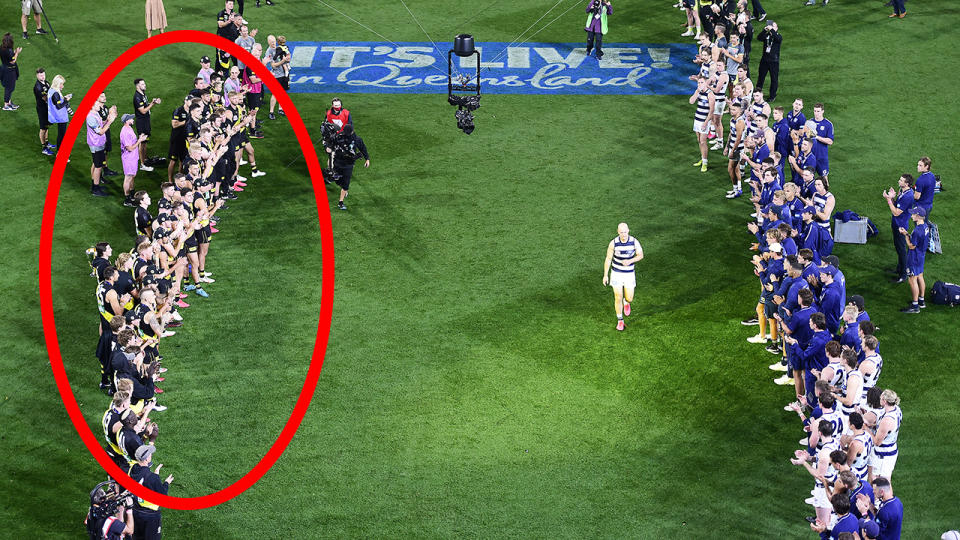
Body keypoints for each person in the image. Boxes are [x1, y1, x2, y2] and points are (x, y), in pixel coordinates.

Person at [129, 445, 173, 540]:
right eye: (150, 454)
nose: (151, 456)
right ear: (146, 459)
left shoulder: (132, 469)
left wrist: (155, 475)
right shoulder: (151, 477)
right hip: (150, 516)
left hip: (135, 511)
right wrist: (166, 483)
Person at [883, 174, 915, 284]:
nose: (899, 181)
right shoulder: (902, 191)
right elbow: (897, 205)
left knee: (901, 250)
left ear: (906, 183)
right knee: (898, 248)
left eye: (901, 180)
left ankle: (903, 275)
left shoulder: (908, 196)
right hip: (897, 224)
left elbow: (896, 212)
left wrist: (888, 200)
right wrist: (892, 197)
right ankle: (899, 268)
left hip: (900, 226)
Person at [329, 125, 369, 210]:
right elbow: (330, 146)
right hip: (338, 162)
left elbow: (363, 148)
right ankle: (342, 187)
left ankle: (341, 202)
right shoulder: (339, 137)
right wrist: (329, 142)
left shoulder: (357, 140)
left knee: (346, 184)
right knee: (336, 179)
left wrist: (367, 159)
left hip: (348, 165)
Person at [899, 207, 929, 313]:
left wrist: (905, 235)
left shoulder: (917, 230)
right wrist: (907, 233)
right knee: (920, 276)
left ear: (917, 216)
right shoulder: (925, 226)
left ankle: (915, 306)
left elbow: (911, 246)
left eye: (913, 214)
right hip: (921, 256)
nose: (911, 215)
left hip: (914, 257)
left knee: (912, 280)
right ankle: (921, 301)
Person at [87, 101, 118, 197]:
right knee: (98, 167)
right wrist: (110, 121)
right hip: (96, 144)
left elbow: (101, 124)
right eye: (97, 104)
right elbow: (100, 131)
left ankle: (96, 186)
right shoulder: (90, 117)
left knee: (99, 166)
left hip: (99, 143)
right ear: (92, 105)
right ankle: (95, 189)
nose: (100, 105)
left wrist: (108, 118)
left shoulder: (95, 113)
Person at [871, 390, 901, 481]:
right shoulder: (897, 409)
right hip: (890, 449)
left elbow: (877, 442)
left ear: (884, 401)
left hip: (883, 454)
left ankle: (882, 496)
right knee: (883, 481)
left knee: (881, 482)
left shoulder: (887, 420)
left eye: (881, 398)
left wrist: (866, 428)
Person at [120, 114, 149, 206]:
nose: (133, 119)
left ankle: (132, 194)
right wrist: (140, 141)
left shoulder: (129, 128)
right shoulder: (125, 132)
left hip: (133, 157)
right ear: (127, 121)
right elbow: (130, 148)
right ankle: (127, 199)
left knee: (132, 176)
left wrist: (140, 139)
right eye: (131, 118)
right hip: (128, 158)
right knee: (128, 177)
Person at [134, 78, 162, 168]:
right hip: (141, 122)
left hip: (145, 120)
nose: (145, 85)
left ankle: (145, 159)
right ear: (138, 86)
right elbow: (143, 111)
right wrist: (152, 104)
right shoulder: (137, 97)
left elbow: (145, 105)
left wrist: (153, 102)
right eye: (142, 84)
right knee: (142, 142)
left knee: (145, 141)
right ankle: (142, 164)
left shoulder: (142, 94)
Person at [690, 76, 714, 173]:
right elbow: (691, 101)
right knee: (699, 140)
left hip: (704, 121)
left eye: (701, 82)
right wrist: (696, 91)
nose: (699, 84)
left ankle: (705, 162)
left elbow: (711, 111)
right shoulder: (699, 92)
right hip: (697, 119)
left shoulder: (710, 94)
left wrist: (705, 123)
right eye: (698, 82)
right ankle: (702, 157)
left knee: (703, 141)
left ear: (706, 83)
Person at [265, 35, 289, 120]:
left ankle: (280, 109)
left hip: (283, 73)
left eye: (274, 41)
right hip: (276, 75)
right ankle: (271, 112)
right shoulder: (269, 52)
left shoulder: (279, 47)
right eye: (272, 42)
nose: (274, 43)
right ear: (268, 42)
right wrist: (283, 61)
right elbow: (273, 65)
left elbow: (286, 58)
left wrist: (286, 67)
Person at [808, 103, 835, 182]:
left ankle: (826, 194)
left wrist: (817, 137)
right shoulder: (809, 122)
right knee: (808, 178)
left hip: (821, 156)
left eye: (818, 111)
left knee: (824, 179)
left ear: (823, 111)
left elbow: (830, 141)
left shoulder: (828, 124)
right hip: (810, 155)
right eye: (815, 111)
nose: (816, 113)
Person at [755, 21, 780, 102]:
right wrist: (765, 30)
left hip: (774, 61)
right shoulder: (767, 35)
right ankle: (757, 93)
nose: (772, 28)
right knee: (761, 77)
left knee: (774, 79)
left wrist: (772, 30)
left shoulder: (778, 36)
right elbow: (759, 37)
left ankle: (772, 96)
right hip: (764, 60)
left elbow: (777, 39)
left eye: (774, 27)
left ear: (776, 28)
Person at [34, 68, 55, 154]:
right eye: (40, 75)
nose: (42, 76)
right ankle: (44, 147)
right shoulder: (38, 87)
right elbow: (45, 98)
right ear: (37, 76)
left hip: (47, 109)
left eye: (43, 74)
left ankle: (46, 142)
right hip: (42, 110)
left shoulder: (46, 83)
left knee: (46, 126)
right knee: (43, 128)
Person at [0, 34, 22, 111]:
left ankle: (9, 102)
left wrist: (14, 52)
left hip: (4, 69)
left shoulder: (2, 47)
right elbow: (13, 61)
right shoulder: (8, 50)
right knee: (9, 88)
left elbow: (9, 55)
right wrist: (17, 53)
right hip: (9, 71)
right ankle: (6, 105)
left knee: (9, 87)